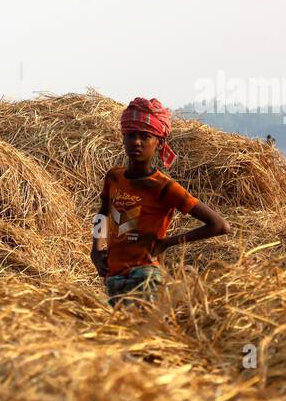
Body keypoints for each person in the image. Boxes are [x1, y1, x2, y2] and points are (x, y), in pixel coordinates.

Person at [91, 97, 230, 306]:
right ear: (123, 138)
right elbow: (103, 213)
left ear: (160, 143)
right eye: (131, 135)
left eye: (145, 136)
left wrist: (166, 243)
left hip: (146, 277)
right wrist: (96, 248)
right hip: (115, 276)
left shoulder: (164, 187)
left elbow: (219, 225)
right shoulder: (114, 178)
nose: (136, 141)